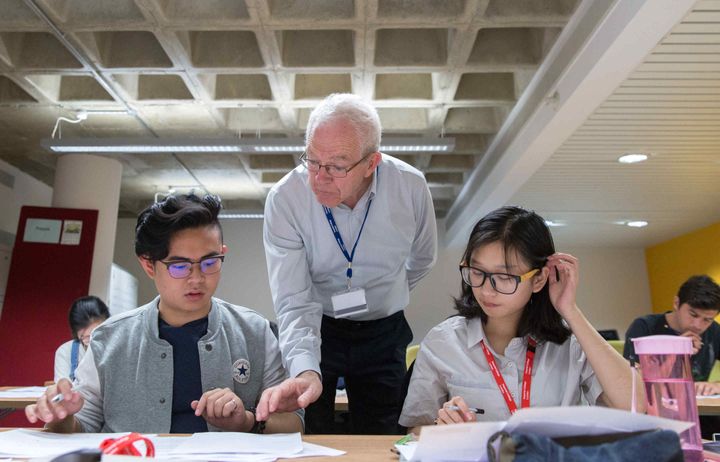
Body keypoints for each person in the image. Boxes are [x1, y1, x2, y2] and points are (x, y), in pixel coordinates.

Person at [26, 193, 303, 434]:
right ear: (148, 265)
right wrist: (61, 417)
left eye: (209, 262)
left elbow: (294, 422)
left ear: (222, 253)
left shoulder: (254, 331)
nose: (197, 279)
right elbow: (81, 425)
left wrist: (246, 421)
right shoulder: (108, 339)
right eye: (180, 266)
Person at [259, 93, 437, 434]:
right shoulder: (286, 199)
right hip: (318, 325)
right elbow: (294, 299)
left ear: (372, 163)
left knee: (383, 433)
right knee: (309, 430)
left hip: (384, 330)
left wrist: (385, 294)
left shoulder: (410, 187)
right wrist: (305, 369)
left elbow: (423, 258)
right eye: (312, 160)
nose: (320, 177)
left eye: (338, 166)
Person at [399, 206, 645, 431]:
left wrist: (570, 310)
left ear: (538, 279)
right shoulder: (443, 342)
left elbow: (635, 405)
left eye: (505, 277)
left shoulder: (570, 346)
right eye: (477, 272)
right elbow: (413, 431)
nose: (487, 289)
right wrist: (441, 428)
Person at [624, 275, 720, 395]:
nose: (698, 325)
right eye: (693, 315)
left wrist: (717, 385)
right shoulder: (645, 327)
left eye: (707, 320)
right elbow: (631, 381)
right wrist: (675, 352)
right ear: (676, 303)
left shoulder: (714, 330)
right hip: (655, 408)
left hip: (702, 409)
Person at [54, 296, 110, 382]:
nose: (94, 342)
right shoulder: (66, 352)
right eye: (87, 337)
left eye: (98, 334)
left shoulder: (118, 348)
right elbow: (63, 387)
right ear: (76, 334)